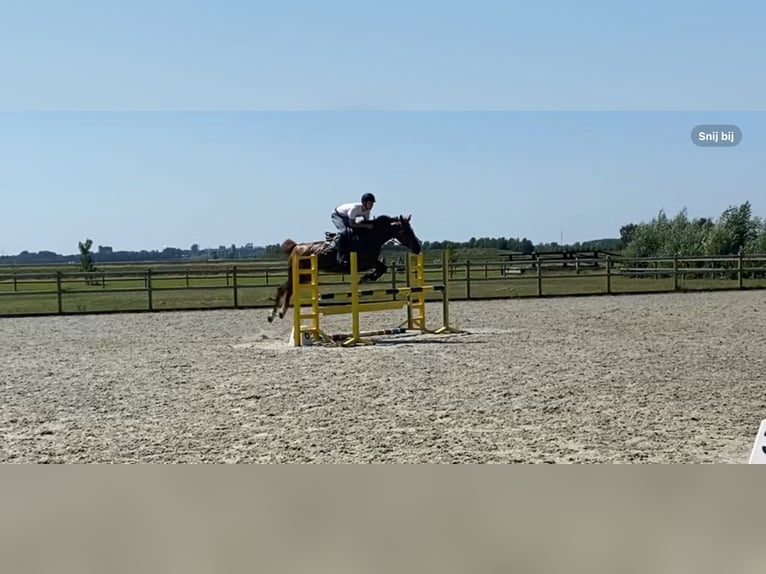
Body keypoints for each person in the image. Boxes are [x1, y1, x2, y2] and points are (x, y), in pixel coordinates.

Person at [331, 193, 376, 265]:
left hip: (347, 217)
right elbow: (352, 224)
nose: (371, 206)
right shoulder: (355, 208)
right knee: (344, 232)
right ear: (364, 203)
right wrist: (366, 226)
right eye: (370, 203)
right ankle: (339, 256)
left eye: (372, 204)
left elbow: (366, 223)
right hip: (337, 215)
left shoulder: (367, 211)